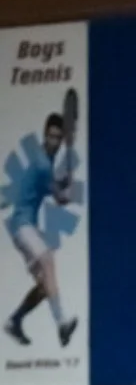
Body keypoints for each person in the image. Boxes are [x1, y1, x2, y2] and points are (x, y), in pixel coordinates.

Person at [3, 111, 78, 347]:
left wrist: (62, 183)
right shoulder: (42, 163)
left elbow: (49, 188)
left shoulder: (45, 161)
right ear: (45, 137)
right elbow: (60, 198)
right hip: (22, 226)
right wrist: (66, 189)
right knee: (47, 259)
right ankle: (62, 323)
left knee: (45, 287)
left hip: (24, 228)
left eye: (58, 137)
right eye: (51, 137)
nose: (54, 142)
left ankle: (14, 321)